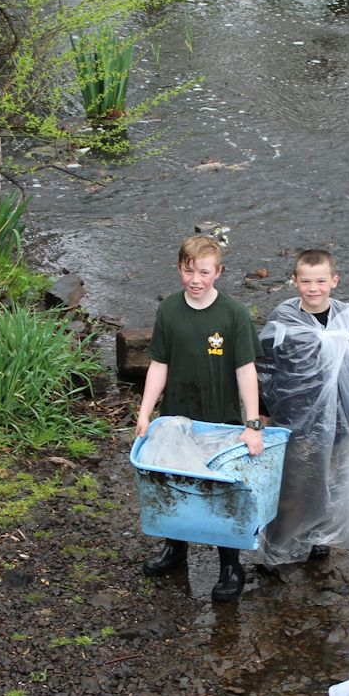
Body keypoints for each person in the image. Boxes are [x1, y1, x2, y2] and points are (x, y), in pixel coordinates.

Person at [135, 234, 264, 602]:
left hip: (221, 421)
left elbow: (246, 372)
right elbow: (159, 364)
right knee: (173, 482)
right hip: (176, 418)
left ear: (218, 273)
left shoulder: (234, 314)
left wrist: (252, 425)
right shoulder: (169, 311)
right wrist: (146, 413)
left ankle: (230, 564)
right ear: (179, 269)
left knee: (222, 490)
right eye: (189, 271)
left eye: (204, 272)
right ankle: (175, 549)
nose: (196, 279)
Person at [256, 249, 349, 569]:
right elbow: (265, 364)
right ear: (294, 282)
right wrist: (262, 406)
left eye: (321, 281)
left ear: (334, 281)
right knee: (296, 476)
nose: (313, 288)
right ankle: (282, 539)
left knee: (331, 474)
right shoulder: (283, 318)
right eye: (306, 281)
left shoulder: (346, 316)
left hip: (340, 411)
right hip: (297, 414)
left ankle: (318, 534)